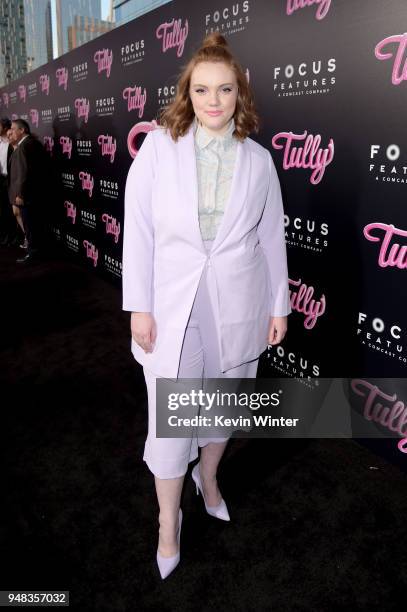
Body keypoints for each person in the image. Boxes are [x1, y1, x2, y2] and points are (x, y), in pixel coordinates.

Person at [122, 33, 291, 579]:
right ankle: (168, 523)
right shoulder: (158, 147)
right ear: (187, 93)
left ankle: (209, 479)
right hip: (172, 306)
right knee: (171, 423)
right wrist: (138, 306)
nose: (213, 100)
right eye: (201, 90)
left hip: (238, 301)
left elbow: (271, 237)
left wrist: (279, 304)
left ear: (239, 93)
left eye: (224, 89)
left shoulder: (259, 161)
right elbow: (140, 231)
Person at [8, 118, 46, 263]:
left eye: (13, 128)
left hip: (27, 195)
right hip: (32, 194)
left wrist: (20, 194)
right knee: (32, 225)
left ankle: (33, 254)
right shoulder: (30, 143)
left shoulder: (25, 146)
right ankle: (34, 252)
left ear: (22, 130)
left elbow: (24, 173)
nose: (10, 131)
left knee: (30, 225)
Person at [0, 117, 16, 246]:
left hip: (12, 180)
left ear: (5, 128)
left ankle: (14, 236)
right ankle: (5, 235)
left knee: (13, 211)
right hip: (0, 180)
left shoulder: (14, 143)